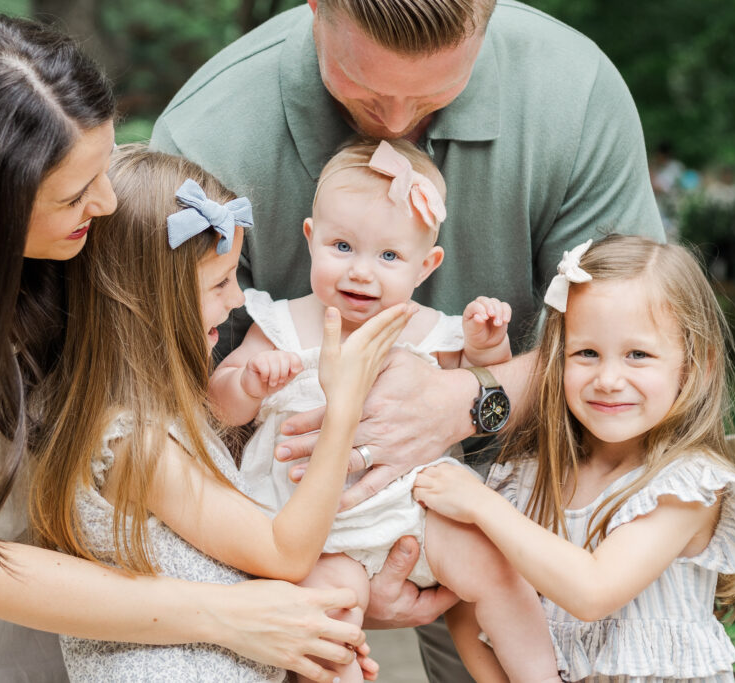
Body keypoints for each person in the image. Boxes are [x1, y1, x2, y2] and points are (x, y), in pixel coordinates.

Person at [0, 15, 366, 682]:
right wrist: (230, 613)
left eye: (104, 167)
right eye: (77, 194)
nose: (105, 202)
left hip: (38, 555)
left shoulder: (71, 222)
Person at [150, 1, 665, 676]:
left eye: (431, 92)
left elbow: (645, 344)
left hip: (507, 506)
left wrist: (469, 395)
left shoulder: (576, 93)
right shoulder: (202, 139)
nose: (394, 124)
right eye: (364, 87)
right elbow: (160, 414)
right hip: (289, 534)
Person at [28, 143, 409, 681]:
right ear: (150, 299)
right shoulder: (134, 444)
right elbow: (284, 552)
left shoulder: (158, 414)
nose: (236, 301)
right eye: (220, 283)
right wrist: (342, 411)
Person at [209, 138, 561, 683]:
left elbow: (482, 391)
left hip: (418, 511)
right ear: (310, 238)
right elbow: (221, 407)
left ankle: (541, 677)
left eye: (389, 256)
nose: (361, 272)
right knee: (324, 632)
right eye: (342, 246)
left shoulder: (430, 330)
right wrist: (250, 382)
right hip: (311, 529)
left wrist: (486, 347)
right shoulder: (281, 324)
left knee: (496, 569)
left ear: (426, 266)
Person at [414, 235, 735, 681]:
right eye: (587, 353)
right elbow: (468, 604)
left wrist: (479, 505)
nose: (608, 379)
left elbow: (594, 591)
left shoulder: (686, 487)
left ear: (696, 365)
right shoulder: (525, 479)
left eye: (638, 354)